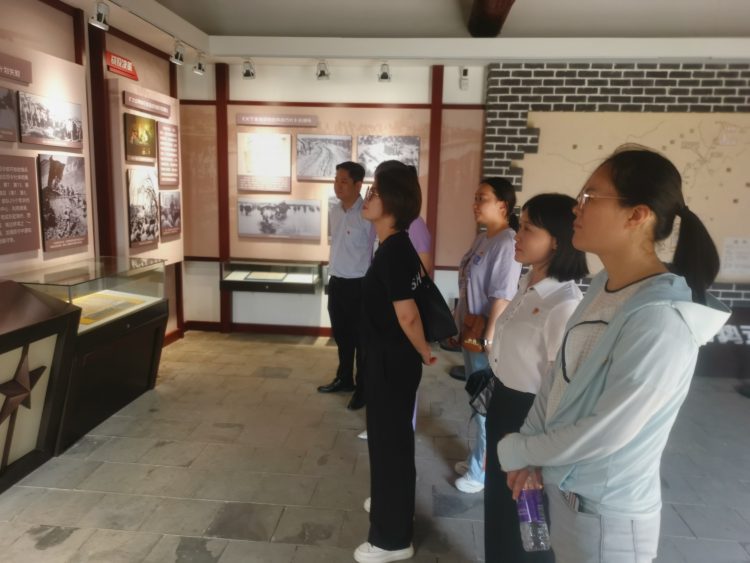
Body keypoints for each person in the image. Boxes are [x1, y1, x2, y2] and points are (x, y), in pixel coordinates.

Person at [498, 146, 730, 563]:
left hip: (608, 517)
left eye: (590, 196)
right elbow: (558, 381)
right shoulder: (604, 287)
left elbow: (607, 431)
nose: (576, 208)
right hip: (568, 495)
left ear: (637, 215)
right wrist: (530, 448)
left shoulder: (662, 318)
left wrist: (520, 450)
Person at [484, 194, 588, 563]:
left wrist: (538, 456)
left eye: (529, 228)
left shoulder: (564, 304)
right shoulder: (528, 284)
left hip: (531, 417)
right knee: (499, 507)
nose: (518, 234)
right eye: (520, 224)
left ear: (557, 240)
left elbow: (562, 389)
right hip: (503, 407)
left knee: (527, 518)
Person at [355, 160, 436, 563]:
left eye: (374, 191)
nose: (367, 197)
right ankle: (395, 508)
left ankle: (391, 539)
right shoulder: (396, 246)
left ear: (393, 201)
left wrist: (423, 350)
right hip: (390, 360)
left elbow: (408, 315)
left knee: (389, 445)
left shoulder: (394, 252)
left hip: (391, 361)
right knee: (393, 443)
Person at [454, 178, 522, 494]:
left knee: (485, 404)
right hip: (472, 331)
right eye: (475, 197)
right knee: (476, 398)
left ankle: (481, 471)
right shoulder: (484, 238)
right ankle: (477, 458)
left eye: (482, 198)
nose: (475, 204)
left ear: (503, 206)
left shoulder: (507, 242)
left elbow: (502, 296)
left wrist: (489, 339)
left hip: (485, 337)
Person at [318, 161, 371, 410]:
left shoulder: (367, 214)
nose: (337, 185)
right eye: (335, 180)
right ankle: (344, 379)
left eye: (343, 181)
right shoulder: (335, 210)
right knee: (341, 336)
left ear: (358, 185)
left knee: (362, 340)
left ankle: (363, 389)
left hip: (360, 285)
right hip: (337, 282)